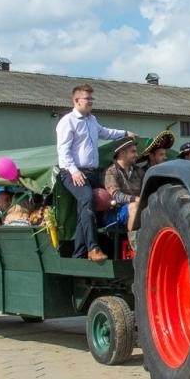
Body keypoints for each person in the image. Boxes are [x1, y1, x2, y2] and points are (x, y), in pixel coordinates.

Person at [55, 83, 134, 262]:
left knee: (103, 203)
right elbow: (63, 151)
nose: (91, 102)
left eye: (92, 99)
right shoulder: (67, 122)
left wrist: (124, 133)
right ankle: (93, 247)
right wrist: (74, 171)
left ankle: (78, 254)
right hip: (72, 172)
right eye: (87, 99)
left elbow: (105, 132)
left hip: (91, 172)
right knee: (87, 201)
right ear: (76, 101)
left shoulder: (92, 120)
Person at [102, 137, 142, 230]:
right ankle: (133, 244)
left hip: (137, 207)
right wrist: (136, 199)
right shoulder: (110, 172)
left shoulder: (139, 172)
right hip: (114, 214)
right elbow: (116, 196)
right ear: (122, 153)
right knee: (134, 207)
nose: (137, 154)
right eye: (133, 151)